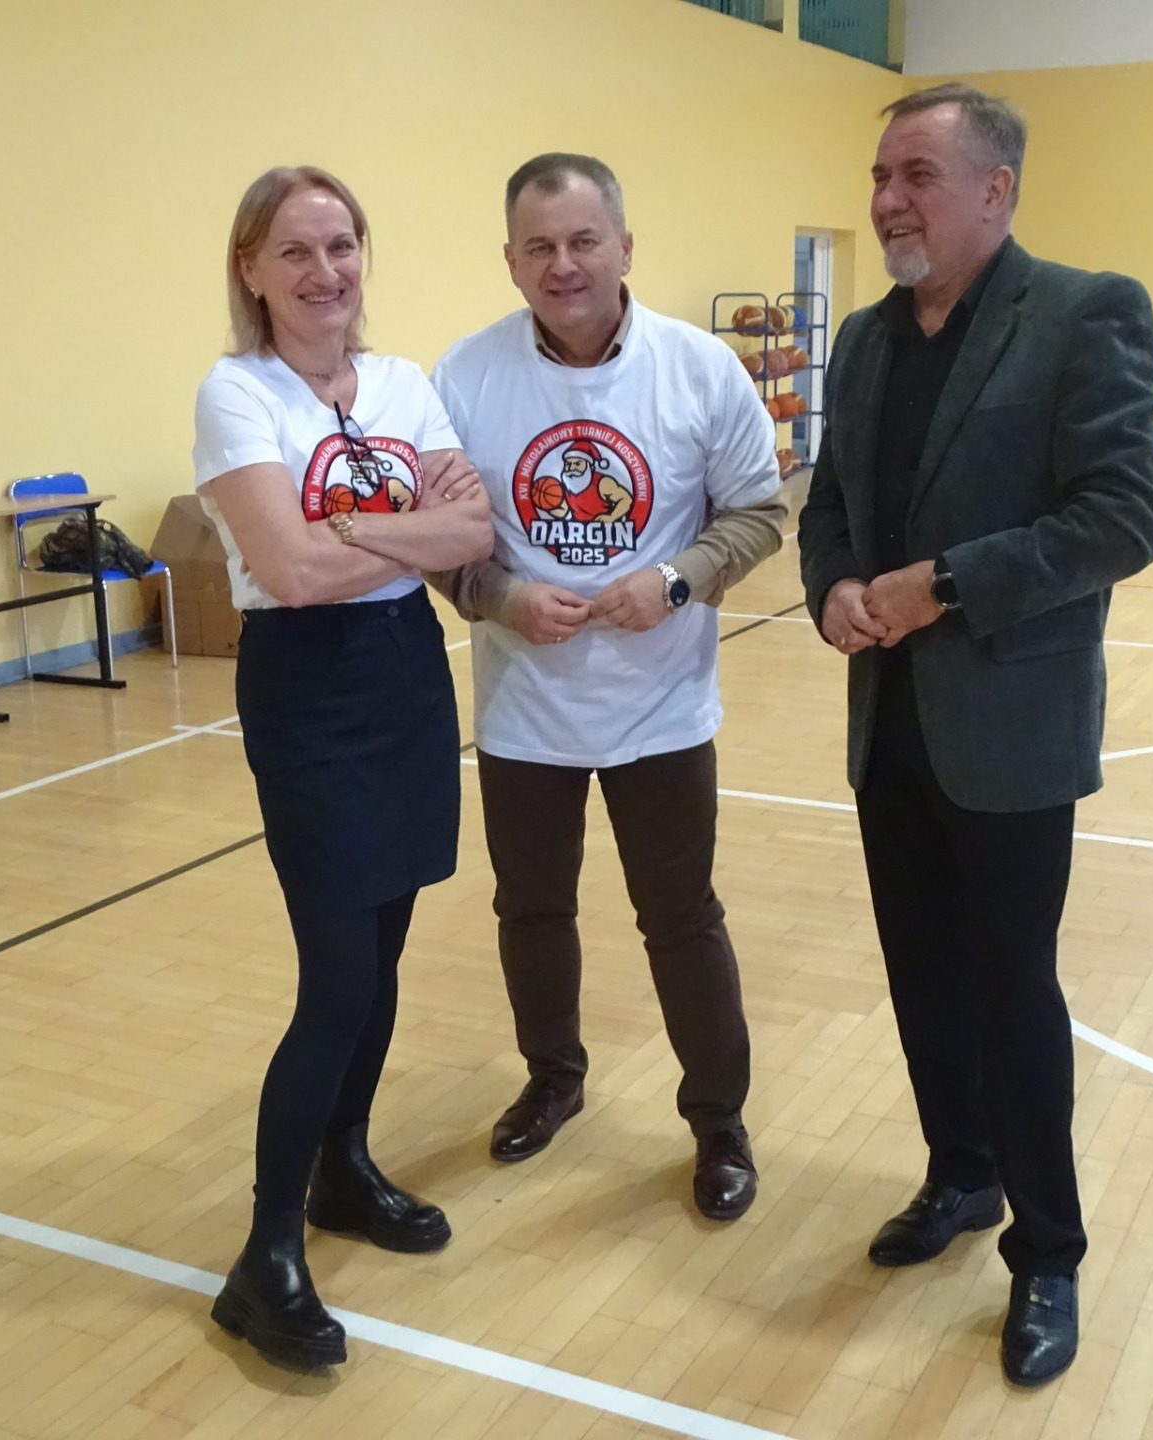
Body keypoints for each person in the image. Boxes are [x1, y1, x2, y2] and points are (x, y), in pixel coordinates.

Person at [797, 85, 1153, 1386]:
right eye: (879, 176)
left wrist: (941, 586)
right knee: (921, 971)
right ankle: (961, 1173)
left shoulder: (1084, 313)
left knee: (1012, 990)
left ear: (995, 190)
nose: (888, 200)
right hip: (889, 723)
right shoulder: (863, 341)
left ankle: (1048, 1251)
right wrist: (835, 587)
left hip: (1009, 728)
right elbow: (830, 506)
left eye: (917, 174)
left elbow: (1121, 518)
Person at [430, 153, 785, 1221]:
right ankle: (553, 1079)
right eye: (539, 246)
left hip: (661, 711)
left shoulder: (699, 369)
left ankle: (718, 1124)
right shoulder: (464, 378)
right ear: (510, 260)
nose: (564, 265)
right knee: (531, 909)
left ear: (626, 247)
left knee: (680, 918)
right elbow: (441, 543)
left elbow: (761, 514)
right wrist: (499, 597)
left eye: (584, 241)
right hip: (522, 713)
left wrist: (676, 580)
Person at [192, 165, 494, 1372]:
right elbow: (291, 574)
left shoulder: (406, 382)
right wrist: (401, 533)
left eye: (342, 245)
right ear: (252, 269)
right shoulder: (236, 392)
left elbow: (474, 532)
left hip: (405, 674)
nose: (326, 272)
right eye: (296, 251)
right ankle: (264, 1257)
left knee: (384, 958)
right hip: (306, 689)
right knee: (337, 977)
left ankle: (343, 1167)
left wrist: (349, 533)